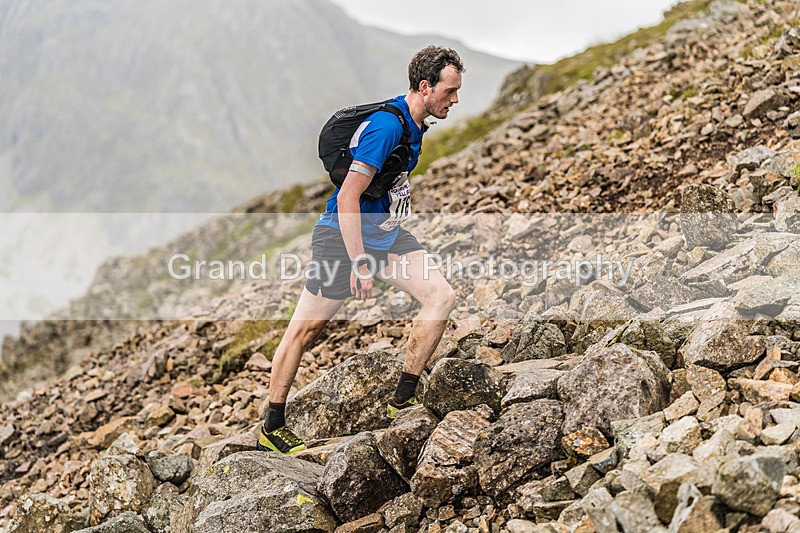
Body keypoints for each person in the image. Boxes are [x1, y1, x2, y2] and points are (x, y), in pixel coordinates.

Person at [257, 46, 465, 455]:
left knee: (441, 296)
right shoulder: (386, 127)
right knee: (305, 330)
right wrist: (360, 263)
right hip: (342, 236)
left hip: (385, 233)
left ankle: (401, 401)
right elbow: (348, 196)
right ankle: (272, 422)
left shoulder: (416, 123)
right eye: (450, 91)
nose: (455, 100)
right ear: (425, 87)